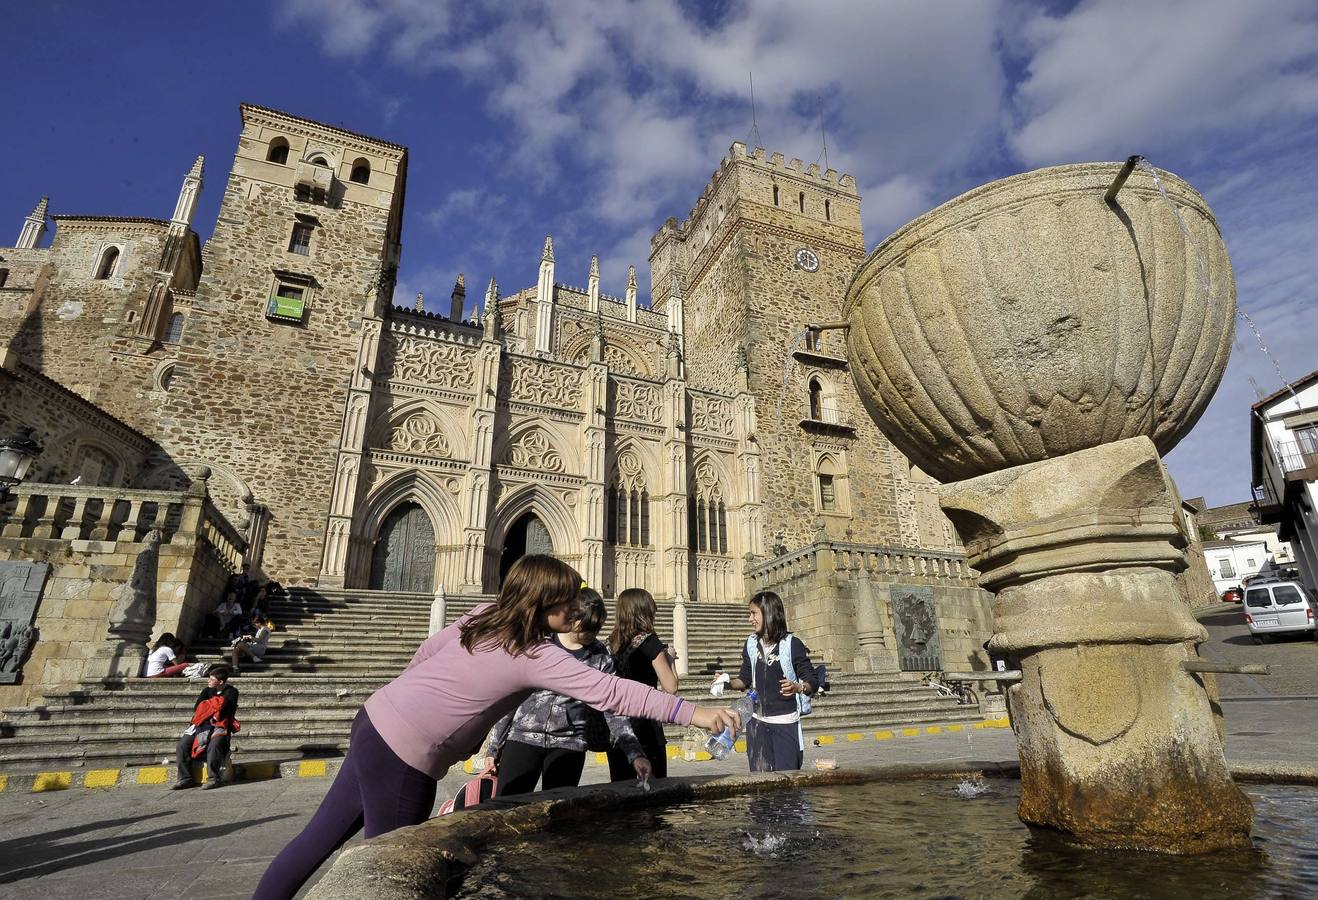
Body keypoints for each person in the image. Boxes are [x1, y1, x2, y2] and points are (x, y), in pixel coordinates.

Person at [253, 555, 738, 900]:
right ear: (538, 603)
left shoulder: (486, 614)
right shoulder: (536, 653)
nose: (574, 610)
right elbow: (611, 693)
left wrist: (414, 698)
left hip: (375, 719)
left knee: (318, 837)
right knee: (397, 867)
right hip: (405, 753)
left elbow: (425, 653)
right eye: (564, 602)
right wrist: (695, 713)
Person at [483, 588, 651, 795]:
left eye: (596, 628)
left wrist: (635, 754)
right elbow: (511, 698)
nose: (592, 634)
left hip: (569, 744)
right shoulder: (540, 645)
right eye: (587, 627)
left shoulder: (600, 658)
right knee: (506, 805)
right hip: (523, 738)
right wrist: (494, 748)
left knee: (559, 813)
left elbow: (614, 710)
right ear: (572, 617)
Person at [713, 590, 817, 772]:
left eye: (753, 613)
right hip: (756, 724)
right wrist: (726, 681)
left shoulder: (792, 645)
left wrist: (798, 687)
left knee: (787, 784)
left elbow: (812, 681)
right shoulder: (751, 644)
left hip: (785, 724)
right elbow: (744, 680)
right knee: (759, 785)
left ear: (769, 613)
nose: (749, 619)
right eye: (749, 614)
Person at [605, 587, 679, 783]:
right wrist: (670, 659)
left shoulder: (611, 644)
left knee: (622, 790)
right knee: (653, 791)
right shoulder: (650, 642)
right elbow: (671, 687)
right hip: (646, 725)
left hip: (619, 729)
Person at [172, 664, 240, 790]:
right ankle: (185, 778)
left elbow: (226, 710)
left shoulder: (232, 692)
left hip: (219, 725)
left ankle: (213, 778)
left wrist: (209, 706)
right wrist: (213, 706)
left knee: (214, 745)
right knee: (182, 745)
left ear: (220, 682)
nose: (208, 681)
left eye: (212, 679)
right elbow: (198, 708)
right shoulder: (206, 691)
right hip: (201, 723)